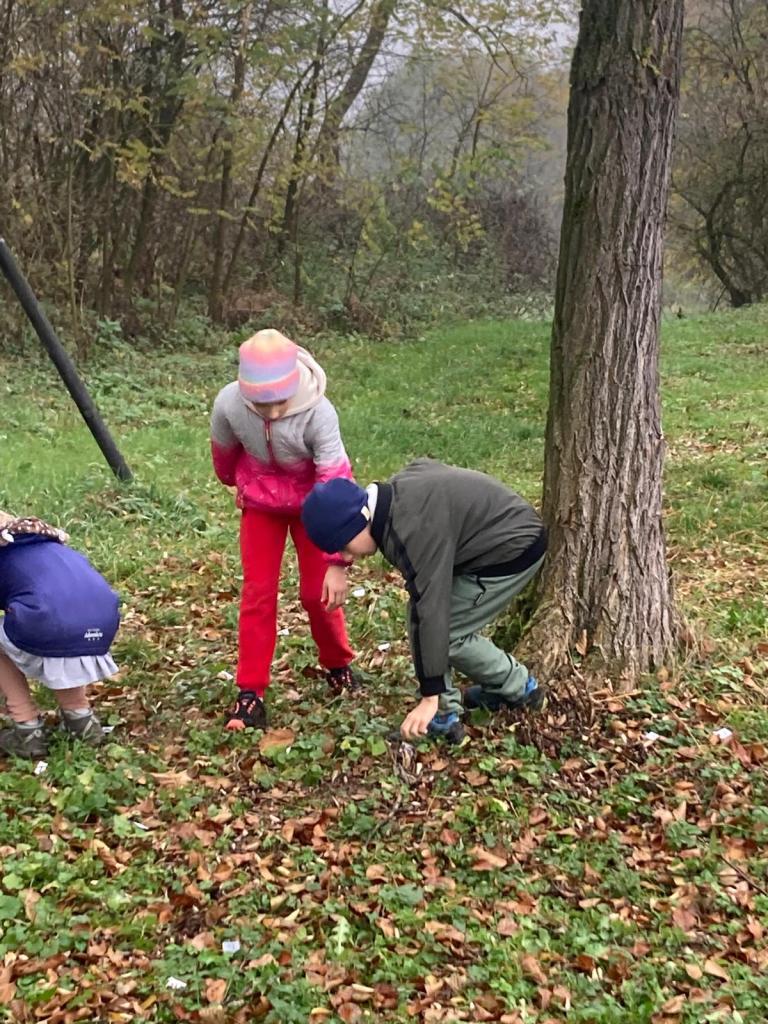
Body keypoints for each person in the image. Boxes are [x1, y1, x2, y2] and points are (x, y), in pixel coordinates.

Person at [301, 459, 547, 743]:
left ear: (358, 521)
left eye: (344, 546)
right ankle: (446, 710)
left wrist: (429, 696)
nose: (346, 556)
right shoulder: (394, 499)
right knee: (422, 616)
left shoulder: (411, 531)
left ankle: (520, 688)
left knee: (449, 633)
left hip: (513, 550)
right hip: (490, 543)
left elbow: (432, 609)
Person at [211, 328, 360, 732]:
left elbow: (335, 483)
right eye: (262, 404)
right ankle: (250, 693)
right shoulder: (228, 405)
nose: (273, 413)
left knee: (317, 594)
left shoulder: (319, 413)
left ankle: (338, 664)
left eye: (280, 402)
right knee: (258, 594)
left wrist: (337, 561)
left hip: (316, 506)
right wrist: (243, 483)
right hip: (262, 506)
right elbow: (223, 459)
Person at [0, 511, 119, 758]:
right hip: (103, 623)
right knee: (60, 639)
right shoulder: (47, 544)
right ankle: (80, 719)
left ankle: (26, 728)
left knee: (50, 630)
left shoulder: (6, 554)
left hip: (51, 624)